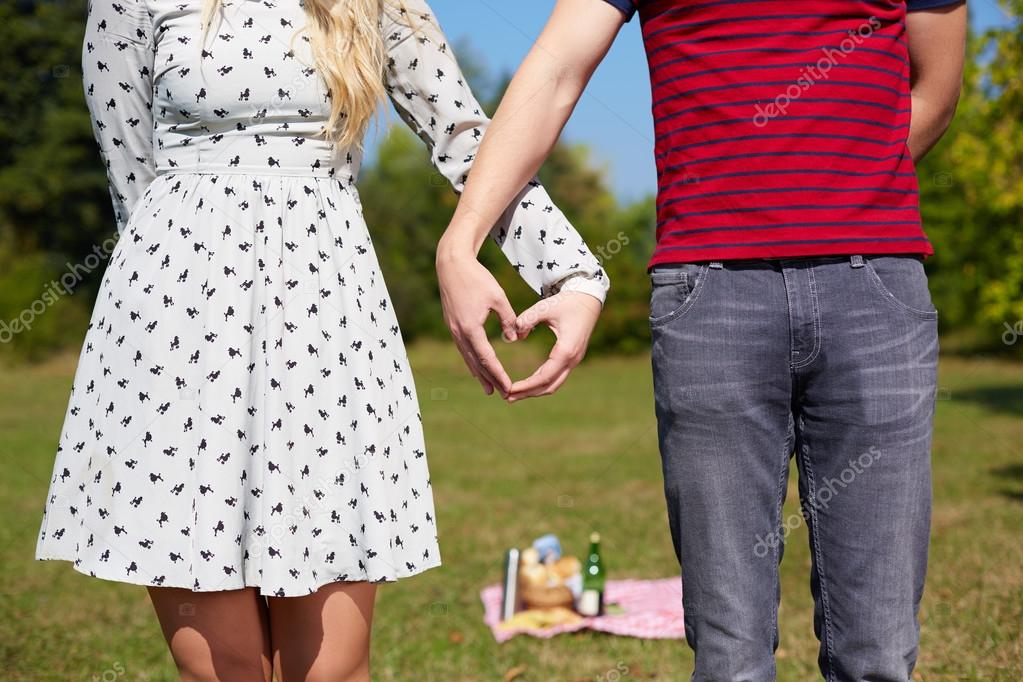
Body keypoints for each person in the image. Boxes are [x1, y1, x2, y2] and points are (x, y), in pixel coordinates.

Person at [35, 0, 607, 679]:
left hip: (325, 319)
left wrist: (568, 272)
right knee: (223, 669)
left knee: (333, 666)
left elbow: (464, 137)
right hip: (177, 321)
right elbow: (130, 176)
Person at [436, 0, 966, 678]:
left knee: (878, 652)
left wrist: (828, 189)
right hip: (709, 295)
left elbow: (936, 87)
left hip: (875, 290)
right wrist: (461, 237)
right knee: (728, 656)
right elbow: (557, 68)